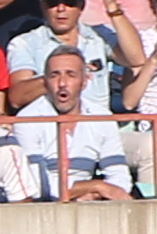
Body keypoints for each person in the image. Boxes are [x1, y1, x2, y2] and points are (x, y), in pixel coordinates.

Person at [16, 41, 141, 194]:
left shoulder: (102, 117)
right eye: (54, 75)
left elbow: (119, 174)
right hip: (44, 203)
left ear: (84, 81)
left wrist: (96, 194)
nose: (62, 83)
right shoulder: (27, 119)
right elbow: (35, 183)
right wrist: (94, 187)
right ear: (45, 82)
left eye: (71, 75)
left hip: (92, 199)